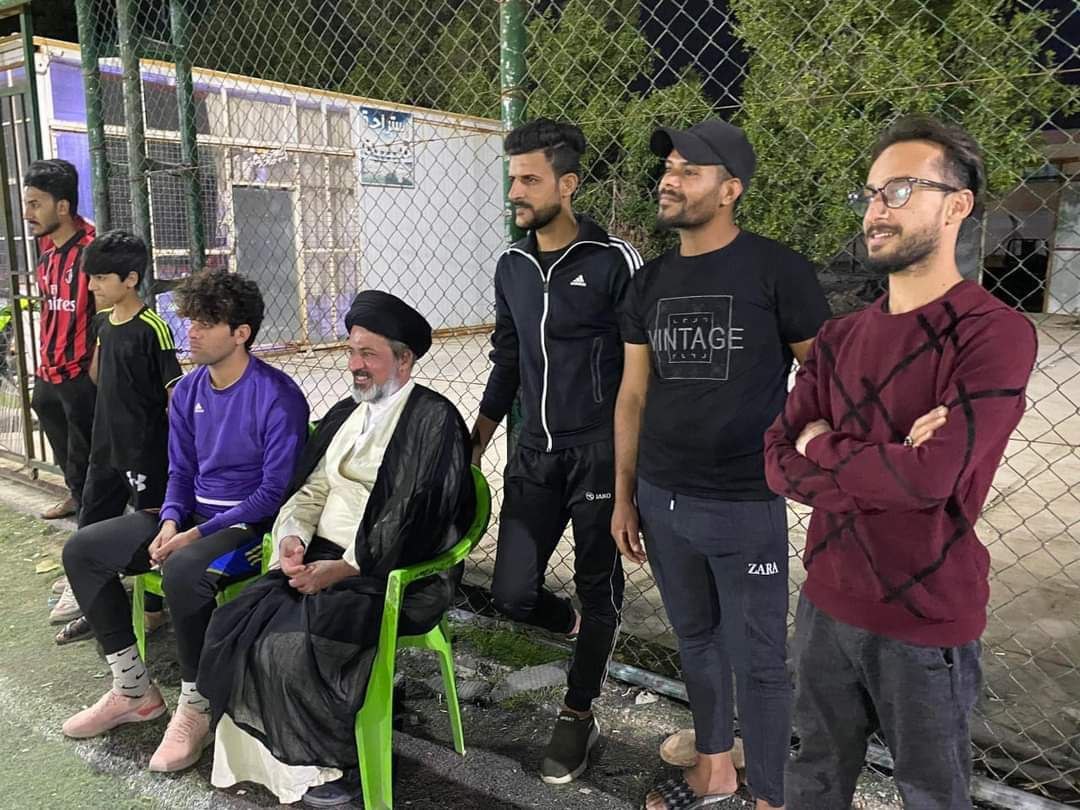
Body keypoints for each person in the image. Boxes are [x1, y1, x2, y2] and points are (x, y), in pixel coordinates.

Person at [764, 115, 1038, 809]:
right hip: (825, 603)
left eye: (900, 190)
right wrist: (887, 464)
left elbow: (929, 480)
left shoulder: (994, 333)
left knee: (933, 793)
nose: (876, 210)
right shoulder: (836, 338)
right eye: (870, 193)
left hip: (925, 621)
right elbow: (774, 462)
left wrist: (823, 446)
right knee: (813, 779)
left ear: (956, 205)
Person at [611, 119, 830, 810]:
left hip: (743, 503)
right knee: (696, 639)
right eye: (668, 167)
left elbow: (824, 380)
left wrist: (800, 451)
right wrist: (624, 495)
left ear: (730, 189)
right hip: (662, 499)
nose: (669, 180)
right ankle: (715, 771)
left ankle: (770, 794)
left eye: (689, 170)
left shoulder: (777, 271)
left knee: (760, 659)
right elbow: (633, 394)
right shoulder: (649, 283)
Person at [197, 291, 475, 807]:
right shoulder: (347, 412)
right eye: (351, 351)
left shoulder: (433, 419)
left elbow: (415, 516)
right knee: (233, 622)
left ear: (404, 359)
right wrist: (292, 538)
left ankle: (333, 766)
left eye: (369, 354)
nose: (354, 365)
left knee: (291, 644)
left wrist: (347, 567)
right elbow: (311, 489)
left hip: (392, 574)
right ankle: (273, 764)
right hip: (322, 556)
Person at [59, 268, 309, 777]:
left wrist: (193, 535)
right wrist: (172, 521)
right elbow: (181, 472)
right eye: (190, 320)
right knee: (82, 550)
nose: (189, 332)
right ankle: (134, 690)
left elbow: (272, 495)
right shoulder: (190, 388)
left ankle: (197, 706)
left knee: (184, 569)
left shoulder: (278, 395)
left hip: (250, 527)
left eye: (204, 323)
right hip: (192, 517)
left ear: (240, 333)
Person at [470, 118, 642, 784]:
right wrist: (477, 442)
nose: (515, 190)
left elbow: (641, 373)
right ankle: (568, 622)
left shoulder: (613, 260)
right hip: (533, 457)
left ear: (567, 185)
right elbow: (508, 359)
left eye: (530, 179)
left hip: (598, 455)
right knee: (511, 593)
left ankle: (578, 714)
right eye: (512, 177)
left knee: (602, 590)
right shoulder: (511, 265)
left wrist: (631, 476)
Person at [54, 230, 182, 646]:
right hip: (104, 448)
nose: (92, 286)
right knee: (90, 525)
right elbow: (98, 372)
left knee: (147, 529)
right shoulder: (103, 323)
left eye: (100, 278)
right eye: (90, 278)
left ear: (130, 279)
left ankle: (154, 612)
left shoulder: (154, 328)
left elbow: (174, 392)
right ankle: (94, 608)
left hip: (144, 454)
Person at [24, 159, 96, 525]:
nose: (27, 214)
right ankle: (75, 495)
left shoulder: (92, 251)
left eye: (36, 204)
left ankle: (92, 521)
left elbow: (106, 311)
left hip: (81, 371)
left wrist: (96, 364)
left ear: (63, 206)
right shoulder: (47, 251)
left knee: (87, 449)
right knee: (51, 418)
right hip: (48, 368)